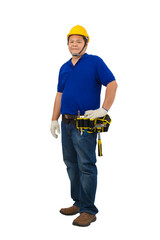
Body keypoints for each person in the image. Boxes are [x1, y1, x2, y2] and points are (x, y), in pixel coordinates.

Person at [50, 25, 118, 227]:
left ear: (86, 43)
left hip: (85, 124)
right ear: (68, 44)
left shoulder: (95, 62)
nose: (74, 44)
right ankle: (78, 203)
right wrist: (54, 119)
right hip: (67, 122)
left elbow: (112, 84)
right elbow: (59, 95)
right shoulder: (64, 67)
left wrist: (104, 109)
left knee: (86, 166)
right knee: (71, 164)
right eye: (71, 41)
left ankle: (89, 210)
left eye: (78, 41)